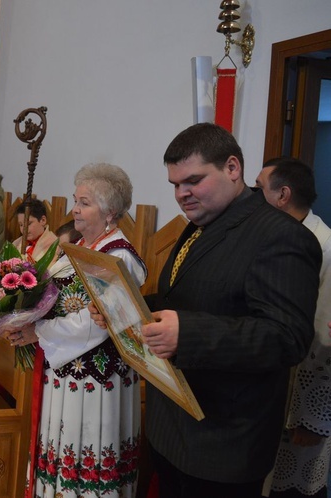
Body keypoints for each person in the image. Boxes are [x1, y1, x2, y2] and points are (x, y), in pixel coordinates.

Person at [138, 123, 321, 498]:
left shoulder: (281, 235)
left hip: (223, 443)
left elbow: (287, 338)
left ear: (233, 168)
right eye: (175, 184)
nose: (181, 194)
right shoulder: (203, 220)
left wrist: (186, 334)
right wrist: (133, 308)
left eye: (192, 180)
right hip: (172, 426)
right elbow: (185, 301)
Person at [6, 163, 147, 498]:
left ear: (110, 211)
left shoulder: (117, 256)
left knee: (86, 456)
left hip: (94, 382)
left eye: (84, 202)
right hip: (67, 372)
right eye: (75, 199)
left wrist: (37, 332)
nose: (74, 209)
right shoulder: (84, 244)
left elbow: (95, 325)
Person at [255, 157, 331, 498]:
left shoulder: (325, 244)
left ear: (282, 194)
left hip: (304, 388)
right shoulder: (273, 236)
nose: (253, 196)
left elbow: (326, 335)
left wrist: (311, 416)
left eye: (259, 189)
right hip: (269, 383)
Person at [12, 197, 58, 264]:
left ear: (43, 220)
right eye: (21, 225)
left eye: (29, 224)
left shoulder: (53, 245)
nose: (24, 230)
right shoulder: (17, 243)